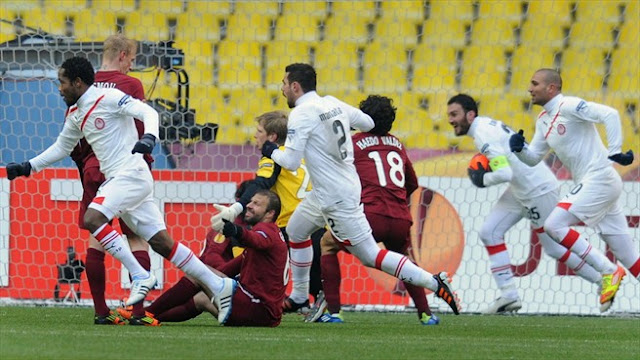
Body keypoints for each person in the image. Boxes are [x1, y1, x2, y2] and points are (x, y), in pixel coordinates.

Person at [4, 56, 237, 324]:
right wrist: (27, 167)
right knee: (162, 242)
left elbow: (148, 113)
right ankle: (220, 287)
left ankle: (139, 274)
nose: (59, 89)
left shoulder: (110, 97)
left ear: (78, 83)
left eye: (63, 83)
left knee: (93, 218)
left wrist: (149, 137)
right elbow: (62, 147)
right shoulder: (76, 113)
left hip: (132, 174)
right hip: (123, 180)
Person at [237, 63, 461, 316]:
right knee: (296, 231)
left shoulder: (301, 114)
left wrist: (270, 150)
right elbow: (367, 122)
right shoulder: (333, 104)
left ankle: (435, 282)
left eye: (284, 84)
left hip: (337, 197)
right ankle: (300, 296)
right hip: (325, 191)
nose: (282, 88)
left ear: (295, 86)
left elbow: (289, 161)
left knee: (370, 255)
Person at [447, 93, 602, 314]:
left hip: (538, 190)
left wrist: (483, 179)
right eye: (449, 115)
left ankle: (602, 279)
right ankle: (509, 296)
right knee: (489, 231)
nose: (450, 120)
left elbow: (504, 173)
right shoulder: (486, 126)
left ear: (470, 114)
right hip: (521, 189)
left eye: (455, 114)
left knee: (554, 248)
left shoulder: (483, 134)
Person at [509, 68, 639, 312]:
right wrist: (519, 150)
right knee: (629, 256)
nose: (529, 88)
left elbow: (609, 114)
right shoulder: (543, 120)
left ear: (551, 88)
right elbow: (534, 157)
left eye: (534, 83)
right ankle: (612, 270)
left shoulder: (569, 106)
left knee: (553, 225)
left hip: (599, 177)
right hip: (596, 184)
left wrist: (615, 151)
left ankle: (608, 271)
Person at [304, 95, 438, 325]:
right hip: (399, 218)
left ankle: (335, 312)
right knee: (405, 260)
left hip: (370, 216)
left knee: (327, 244)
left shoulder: (353, 143)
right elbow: (412, 183)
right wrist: (394, 201)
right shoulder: (397, 144)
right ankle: (426, 314)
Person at [74, 34, 154, 325]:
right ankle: (138, 313)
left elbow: (75, 135)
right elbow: (141, 128)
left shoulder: (84, 84)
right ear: (122, 55)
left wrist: (85, 167)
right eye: (132, 59)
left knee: (98, 238)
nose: (132, 66)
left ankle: (100, 312)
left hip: (94, 168)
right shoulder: (131, 85)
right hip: (124, 168)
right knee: (136, 237)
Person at [212, 110, 325, 312]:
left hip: (288, 225)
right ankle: (323, 308)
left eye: (259, 131)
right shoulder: (303, 156)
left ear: (272, 137)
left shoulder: (273, 156)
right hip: (317, 222)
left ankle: (231, 292)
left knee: (249, 255)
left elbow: (261, 183)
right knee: (315, 273)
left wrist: (237, 207)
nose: (255, 135)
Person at [129, 190, 289, 326]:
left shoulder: (266, 230)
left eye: (257, 204)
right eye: (251, 201)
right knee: (201, 298)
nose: (249, 205)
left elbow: (256, 239)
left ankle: (146, 313)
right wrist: (210, 276)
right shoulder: (270, 236)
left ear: (270, 213)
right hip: (265, 313)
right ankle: (150, 317)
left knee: (198, 273)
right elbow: (229, 268)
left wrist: (236, 231)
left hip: (256, 307)